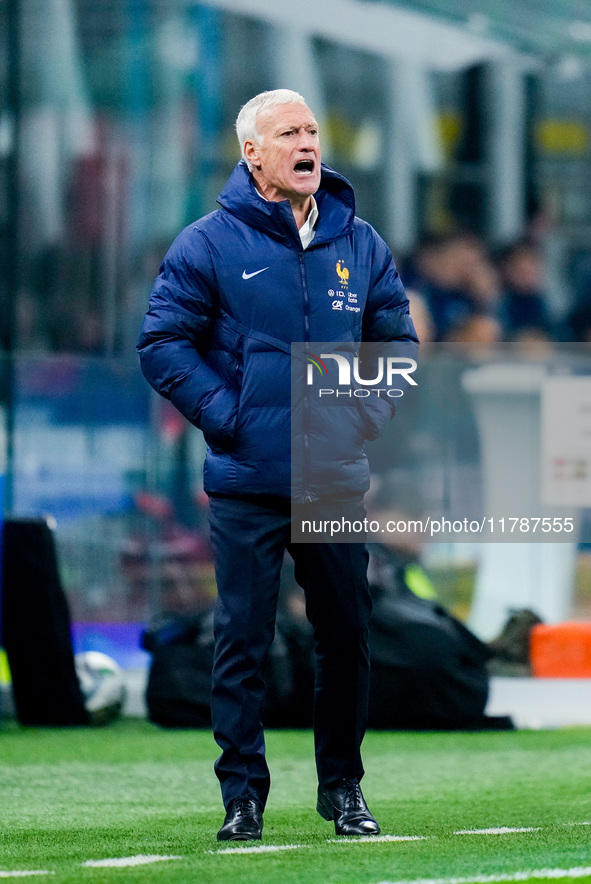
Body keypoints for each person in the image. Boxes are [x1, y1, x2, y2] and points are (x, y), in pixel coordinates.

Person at [137, 88, 418, 842]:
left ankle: (343, 790)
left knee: (346, 634)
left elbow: (395, 347)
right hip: (247, 480)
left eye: (312, 130)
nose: (307, 142)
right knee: (243, 637)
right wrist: (228, 418)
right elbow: (162, 343)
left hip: (332, 478)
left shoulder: (360, 242)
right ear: (253, 153)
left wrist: (360, 417)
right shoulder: (206, 242)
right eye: (288, 132)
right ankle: (242, 798)